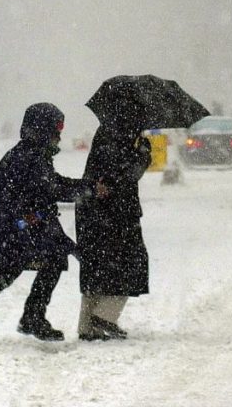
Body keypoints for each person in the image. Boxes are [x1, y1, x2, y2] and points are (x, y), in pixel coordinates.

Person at [0, 103, 102, 351]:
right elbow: (52, 188)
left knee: (33, 265)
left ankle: (25, 316)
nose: (59, 136)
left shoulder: (30, 153)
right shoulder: (29, 156)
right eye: (56, 130)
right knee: (7, 273)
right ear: (42, 129)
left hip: (22, 228)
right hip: (20, 229)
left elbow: (47, 186)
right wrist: (21, 214)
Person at [75, 123, 153, 341]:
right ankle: (104, 317)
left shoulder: (106, 130)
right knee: (131, 263)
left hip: (91, 209)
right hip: (116, 212)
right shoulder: (124, 135)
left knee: (96, 267)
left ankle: (87, 326)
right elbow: (126, 175)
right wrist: (144, 155)